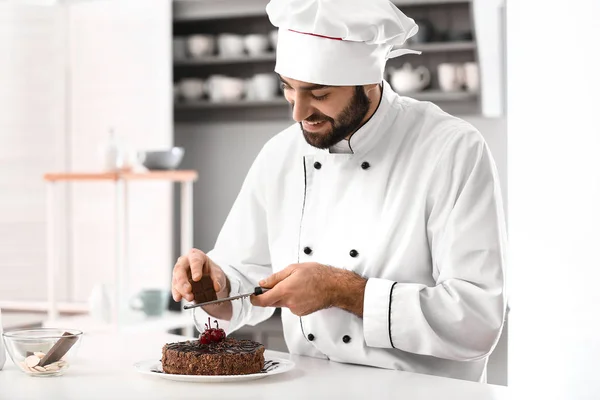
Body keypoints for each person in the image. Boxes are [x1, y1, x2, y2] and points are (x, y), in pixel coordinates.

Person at [171, 0, 507, 383]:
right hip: (310, 387)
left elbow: (477, 319)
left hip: (424, 392)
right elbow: (245, 278)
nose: (298, 113)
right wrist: (216, 282)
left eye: (319, 94)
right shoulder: (281, 154)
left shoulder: (451, 149)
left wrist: (343, 291)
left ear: (369, 80)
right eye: (288, 90)